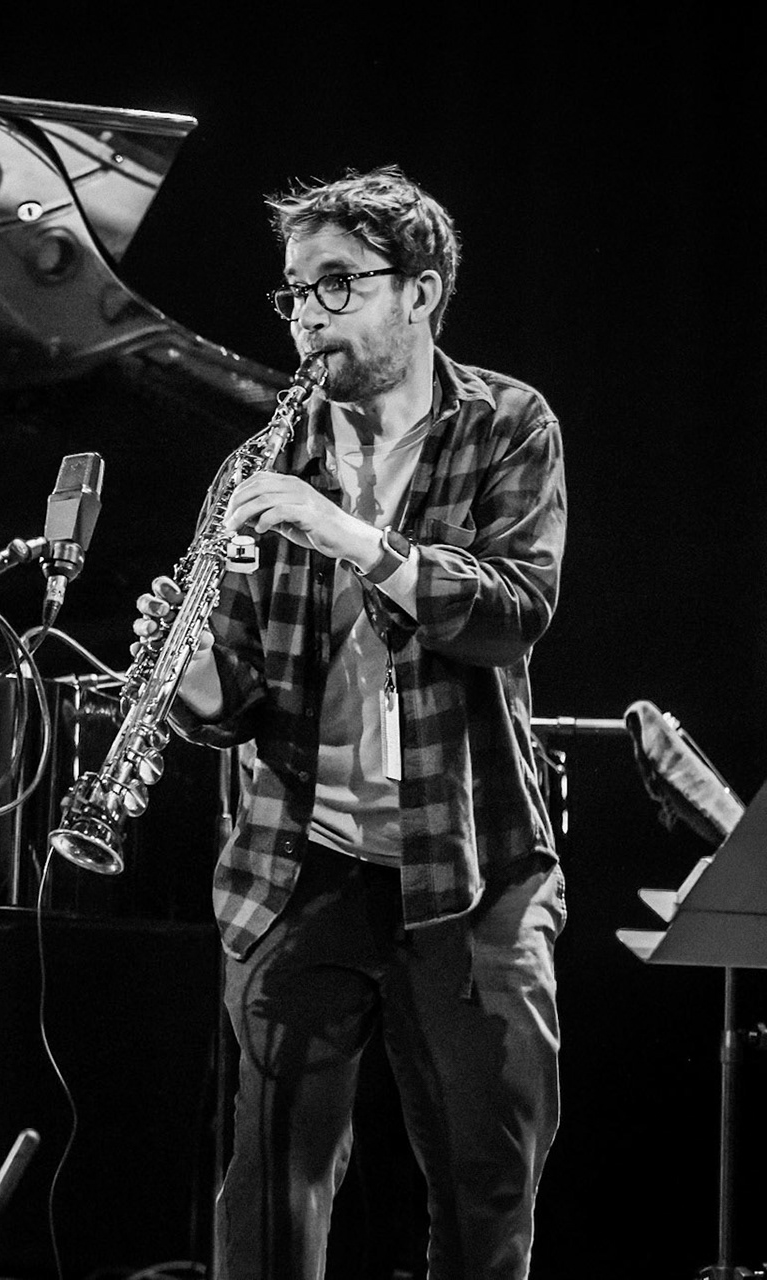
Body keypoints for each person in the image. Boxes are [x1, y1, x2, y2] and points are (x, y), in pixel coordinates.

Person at [136, 167, 567, 1278]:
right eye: (295, 293)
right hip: (303, 855)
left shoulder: (508, 423)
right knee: (270, 1189)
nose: (309, 317)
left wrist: (355, 537)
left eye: (339, 286)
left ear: (420, 292)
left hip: (468, 857)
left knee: (487, 1181)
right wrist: (181, 674)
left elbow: (514, 609)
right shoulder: (261, 461)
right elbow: (235, 702)